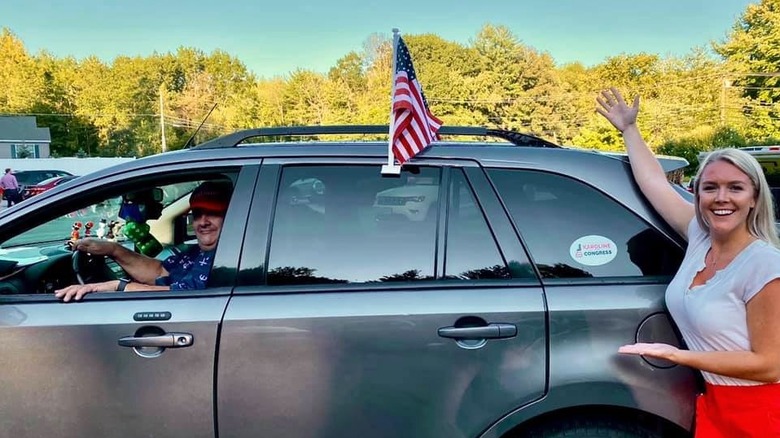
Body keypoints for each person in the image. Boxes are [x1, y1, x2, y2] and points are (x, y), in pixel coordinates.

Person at [597, 87, 780, 437]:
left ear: (755, 197)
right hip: (717, 404)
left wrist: (679, 356)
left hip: (764, 411)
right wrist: (629, 129)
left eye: (735, 188)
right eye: (710, 188)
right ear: (697, 194)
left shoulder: (765, 265)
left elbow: (769, 365)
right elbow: (653, 182)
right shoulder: (699, 237)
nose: (721, 198)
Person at [54, 180, 233, 302]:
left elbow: (183, 296)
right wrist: (113, 250)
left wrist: (117, 286)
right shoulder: (197, 253)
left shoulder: (229, 259)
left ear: (233, 216)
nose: (203, 222)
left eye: (214, 213)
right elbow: (159, 271)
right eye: (197, 214)